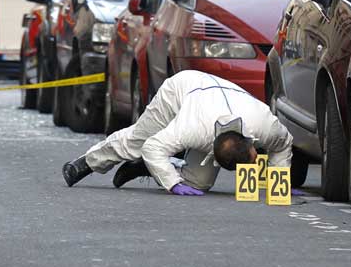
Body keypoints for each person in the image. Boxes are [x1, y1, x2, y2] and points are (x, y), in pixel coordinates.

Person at [62, 70, 293, 195]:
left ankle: (148, 168)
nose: (254, 163)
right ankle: (87, 163)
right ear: (211, 152)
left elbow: (284, 145)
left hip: (219, 95)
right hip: (181, 90)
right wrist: (171, 183)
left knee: (200, 184)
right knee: (137, 141)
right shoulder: (192, 130)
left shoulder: (265, 126)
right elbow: (151, 146)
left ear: (251, 141)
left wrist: (278, 183)